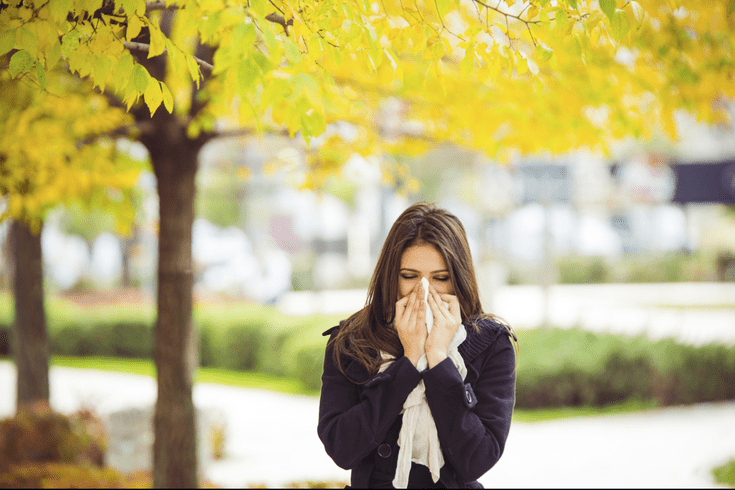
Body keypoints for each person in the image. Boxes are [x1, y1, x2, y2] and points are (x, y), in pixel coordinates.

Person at [318, 202, 517, 488]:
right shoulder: (351, 341)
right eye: (409, 276)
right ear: (391, 277)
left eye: (440, 278)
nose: (424, 290)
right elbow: (342, 449)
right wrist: (408, 363)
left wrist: (438, 358)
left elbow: (478, 459)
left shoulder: (490, 344)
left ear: (458, 279)